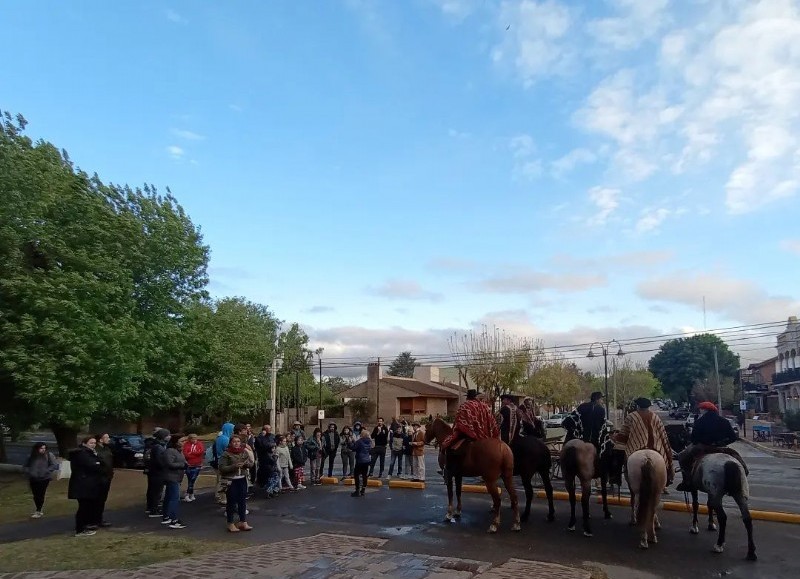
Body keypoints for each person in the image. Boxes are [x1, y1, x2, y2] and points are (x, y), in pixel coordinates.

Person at [676, 401, 747, 492]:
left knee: (682, 456)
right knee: (737, 457)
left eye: (701, 409)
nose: (700, 411)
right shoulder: (724, 421)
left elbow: (694, 439)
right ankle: (744, 472)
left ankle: (687, 481)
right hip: (721, 447)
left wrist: (701, 441)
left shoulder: (700, 421)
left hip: (703, 447)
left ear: (705, 410)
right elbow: (733, 437)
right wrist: (721, 443)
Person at [612, 398, 674, 485]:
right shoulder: (655, 417)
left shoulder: (631, 416)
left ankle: (616, 477)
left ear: (638, 406)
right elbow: (663, 435)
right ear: (649, 407)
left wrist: (616, 438)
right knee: (667, 457)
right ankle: (669, 476)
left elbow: (624, 435)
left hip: (635, 447)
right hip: (656, 448)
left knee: (618, 455)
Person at [67, 436, 103, 537]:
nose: (93, 445)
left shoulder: (88, 453)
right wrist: (97, 461)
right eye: (91, 443)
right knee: (83, 507)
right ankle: (80, 529)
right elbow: (92, 465)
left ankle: (84, 525)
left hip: (87, 484)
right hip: (83, 485)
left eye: (94, 443)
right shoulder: (82, 453)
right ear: (84, 443)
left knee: (87, 507)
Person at [219, 434, 254, 532]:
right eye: (234, 442)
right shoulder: (226, 454)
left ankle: (242, 521)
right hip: (231, 480)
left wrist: (246, 464)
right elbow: (222, 468)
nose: (236, 443)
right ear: (230, 443)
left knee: (242, 500)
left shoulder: (243, 452)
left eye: (238, 441)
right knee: (231, 501)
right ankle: (230, 523)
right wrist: (234, 466)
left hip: (242, 478)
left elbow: (251, 463)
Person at [23, 442, 58, 518]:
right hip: (33, 478)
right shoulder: (31, 456)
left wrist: (47, 470)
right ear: (37, 449)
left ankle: (38, 510)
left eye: (44, 448)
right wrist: (29, 472)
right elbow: (25, 466)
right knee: (35, 495)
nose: (43, 450)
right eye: (41, 448)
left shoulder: (49, 455)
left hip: (44, 478)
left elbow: (54, 465)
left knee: (40, 494)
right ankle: (38, 508)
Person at [159, 435, 187, 529]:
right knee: (174, 498)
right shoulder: (170, 451)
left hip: (176, 476)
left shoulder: (179, 451)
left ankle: (166, 516)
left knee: (169, 497)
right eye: (182, 441)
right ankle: (174, 519)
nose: (183, 443)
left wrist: (185, 464)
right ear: (176, 442)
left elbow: (181, 461)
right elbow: (169, 463)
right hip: (171, 477)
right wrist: (182, 465)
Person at [93, 433, 114, 529]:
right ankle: (94, 520)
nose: (109, 439)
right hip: (99, 478)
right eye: (107, 437)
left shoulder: (107, 448)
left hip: (107, 477)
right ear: (100, 440)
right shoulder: (96, 450)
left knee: (102, 500)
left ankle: (99, 519)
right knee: (96, 500)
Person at [214, 423, 235, 505]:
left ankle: (218, 495)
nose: (233, 431)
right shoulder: (226, 439)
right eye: (232, 429)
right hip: (225, 462)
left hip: (219, 460)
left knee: (219, 480)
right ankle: (222, 497)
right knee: (224, 481)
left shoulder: (219, 438)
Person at [182, 433, 205, 502]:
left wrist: (192, 453)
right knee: (190, 479)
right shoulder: (186, 445)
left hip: (197, 464)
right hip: (189, 464)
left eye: (195, 438)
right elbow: (186, 454)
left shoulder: (199, 444)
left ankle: (189, 493)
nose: (195, 440)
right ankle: (188, 494)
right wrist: (194, 454)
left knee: (193, 479)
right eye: (193, 439)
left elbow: (201, 452)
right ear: (190, 439)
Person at [351, 429, 373, 497]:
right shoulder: (369, 442)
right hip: (367, 460)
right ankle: (363, 490)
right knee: (364, 475)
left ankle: (357, 490)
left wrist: (350, 442)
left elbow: (354, 448)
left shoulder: (359, 441)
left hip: (360, 460)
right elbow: (370, 450)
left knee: (356, 475)